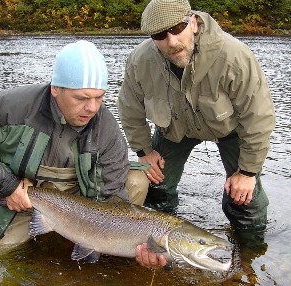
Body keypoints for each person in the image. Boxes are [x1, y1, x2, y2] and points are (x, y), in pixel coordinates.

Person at [0, 40, 149, 256]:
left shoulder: (107, 129)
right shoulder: (15, 106)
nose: (92, 108)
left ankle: (70, 234)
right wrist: (7, 185)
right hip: (22, 198)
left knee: (136, 180)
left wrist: (128, 241)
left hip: (80, 203)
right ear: (55, 88)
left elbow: (112, 200)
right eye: (81, 98)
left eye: (99, 97)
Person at [117, 0, 275, 268]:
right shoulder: (139, 61)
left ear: (192, 22)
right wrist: (144, 151)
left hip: (231, 129)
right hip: (175, 129)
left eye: (177, 28)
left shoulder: (234, 56)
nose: (171, 41)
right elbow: (129, 108)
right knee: (157, 185)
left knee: (245, 200)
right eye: (159, 35)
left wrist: (247, 172)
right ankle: (161, 251)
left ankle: (251, 259)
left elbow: (258, 117)